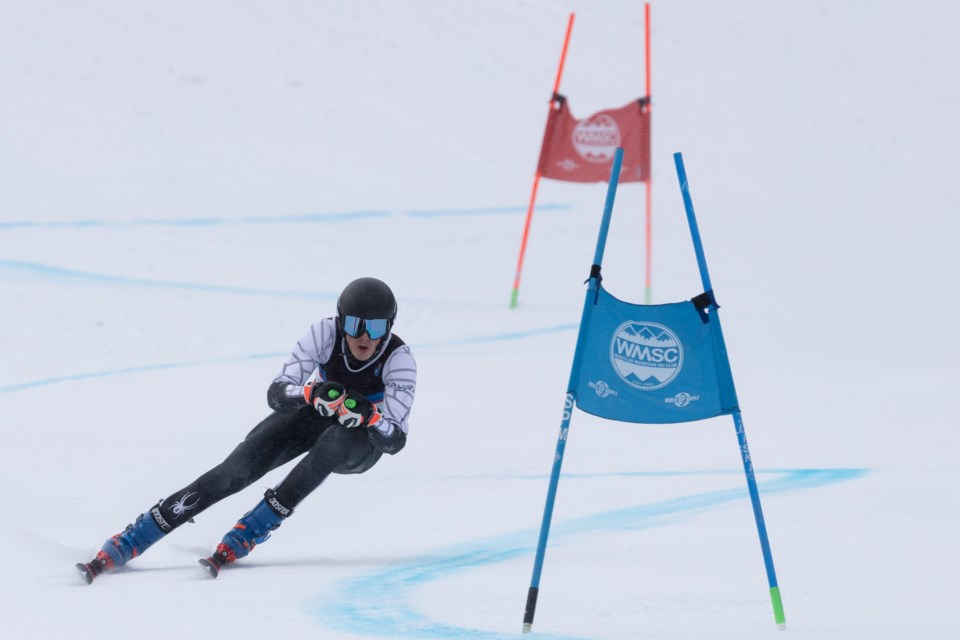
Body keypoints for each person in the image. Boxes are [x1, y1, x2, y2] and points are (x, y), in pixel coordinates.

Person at [76, 277, 417, 582]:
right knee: (233, 471)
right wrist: (309, 393)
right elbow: (278, 393)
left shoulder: (399, 358)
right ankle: (138, 535)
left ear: (388, 328)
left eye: (374, 329)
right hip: (316, 413)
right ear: (341, 322)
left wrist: (369, 418)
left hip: (359, 443)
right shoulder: (324, 333)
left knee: (334, 439)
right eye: (356, 325)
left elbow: (394, 439)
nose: (363, 337)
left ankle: (254, 528)